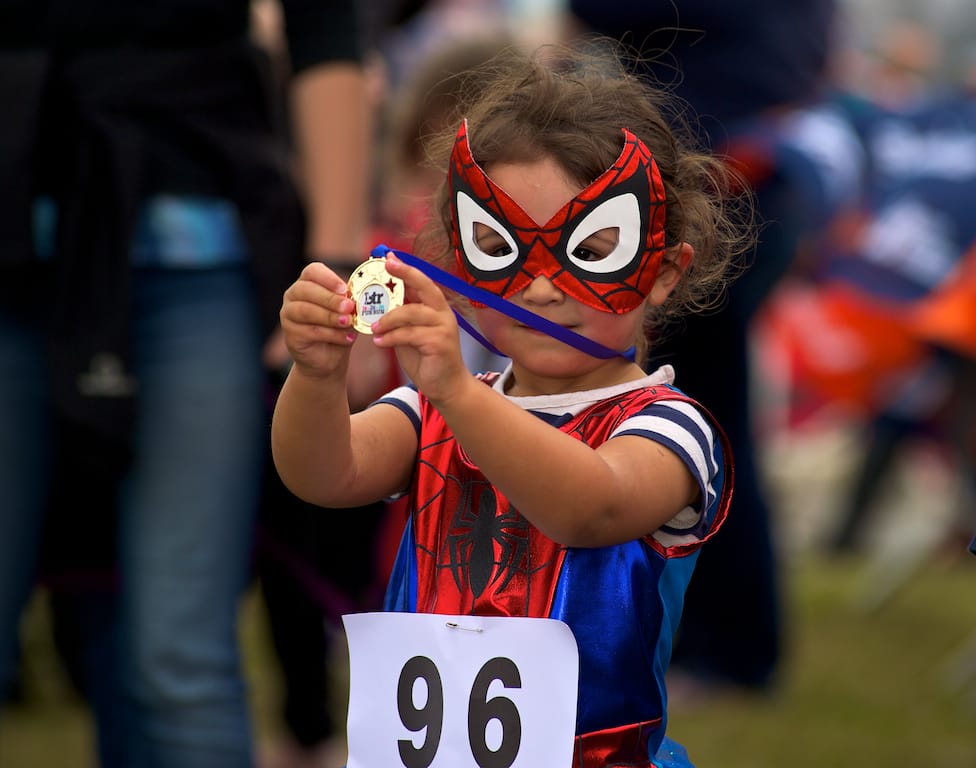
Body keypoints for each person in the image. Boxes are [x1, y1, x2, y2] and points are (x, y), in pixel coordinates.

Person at [271, 43, 753, 767]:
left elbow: (589, 507)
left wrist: (458, 393)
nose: (540, 287)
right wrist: (316, 373)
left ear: (662, 273)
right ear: (462, 266)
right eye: (501, 247)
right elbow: (322, 474)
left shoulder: (668, 428)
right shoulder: (430, 411)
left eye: (591, 249)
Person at [0, 1, 372, 766]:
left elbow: (325, 27)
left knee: (178, 655)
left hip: (201, 248)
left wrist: (340, 270)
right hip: (14, 249)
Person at [565, 0, 838, 696]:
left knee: (696, 420)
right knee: (705, 413)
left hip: (721, 178)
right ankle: (718, 640)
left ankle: (729, 649)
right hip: (744, 170)